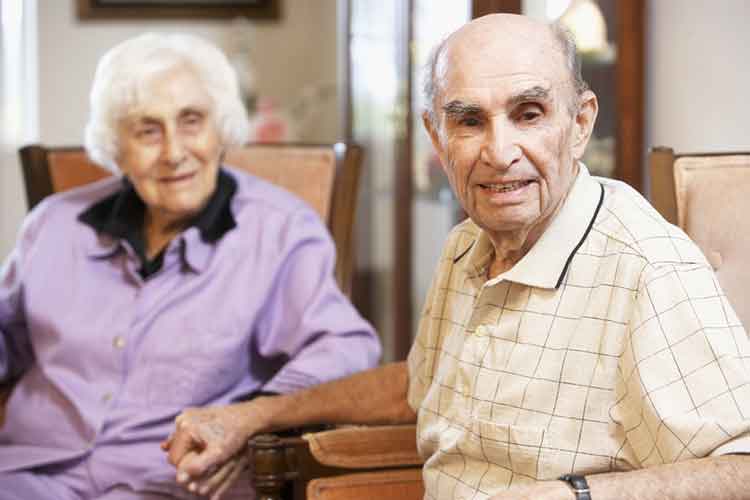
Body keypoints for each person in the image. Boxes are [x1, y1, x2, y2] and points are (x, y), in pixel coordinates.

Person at [165, 14, 750, 500]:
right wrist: (255, 415)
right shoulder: (467, 243)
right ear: (435, 135)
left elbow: (741, 469)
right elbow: (417, 388)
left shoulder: (647, 268)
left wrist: (576, 495)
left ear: (580, 123)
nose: (498, 153)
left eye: (529, 114)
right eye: (469, 121)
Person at [0, 33, 381, 499]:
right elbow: (9, 340)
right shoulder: (55, 225)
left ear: (221, 129)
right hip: (27, 475)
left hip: (169, 483)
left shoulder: (279, 231)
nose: (173, 152)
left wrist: (253, 417)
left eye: (191, 121)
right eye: (146, 131)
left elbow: (346, 348)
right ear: (114, 148)